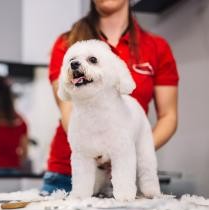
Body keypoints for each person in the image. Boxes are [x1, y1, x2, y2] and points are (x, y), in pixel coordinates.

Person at [42, 0, 179, 193]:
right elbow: (67, 106)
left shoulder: (157, 47)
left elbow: (168, 116)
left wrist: (129, 148)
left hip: (129, 170)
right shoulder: (67, 42)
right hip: (66, 175)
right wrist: (95, 151)